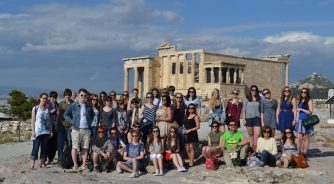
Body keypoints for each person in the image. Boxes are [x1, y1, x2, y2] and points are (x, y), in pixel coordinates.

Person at [63, 88, 95, 171]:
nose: (83, 97)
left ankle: (84, 165)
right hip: (76, 129)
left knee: (85, 147)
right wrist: (72, 121)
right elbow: (65, 114)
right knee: (74, 147)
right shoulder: (74, 105)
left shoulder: (88, 106)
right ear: (78, 95)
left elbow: (92, 115)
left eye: (85, 95)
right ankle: (75, 164)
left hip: (86, 129)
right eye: (81, 95)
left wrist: (89, 122)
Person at [31, 93, 52, 169]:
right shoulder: (35, 108)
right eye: (43, 98)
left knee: (44, 148)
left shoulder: (47, 109)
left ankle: (42, 163)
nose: (44, 100)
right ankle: (32, 163)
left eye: (46, 98)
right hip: (37, 132)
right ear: (40, 98)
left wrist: (51, 131)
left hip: (46, 132)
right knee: (35, 147)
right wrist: (33, 131)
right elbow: (33, 120)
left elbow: (49, 121)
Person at [56, 88, 73, 167]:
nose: (67, 96)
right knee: (60, 144)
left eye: (69, 95)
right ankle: (60, 159)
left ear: (71, 96)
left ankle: (68, 158)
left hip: (70, 127)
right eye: (66, 95)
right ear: (64, 95)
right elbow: (58, 115)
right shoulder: (61, 104)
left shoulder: (74, 104)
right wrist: (57, 125)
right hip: (61, 126)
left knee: (69, 144)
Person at [295, 88, 313, 157]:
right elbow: (297, 110)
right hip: (299, 121)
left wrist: (302, 109)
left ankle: (304, 154)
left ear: (307, 93)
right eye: (302, 92)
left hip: (306, 121)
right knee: (299, 138)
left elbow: (310, 112)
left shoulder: (309, 101)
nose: (303, 93)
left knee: (305, 138)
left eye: (305, 92)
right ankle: (300, 152)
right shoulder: (300, 100)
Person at [242, 85, 261, 149]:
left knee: (257, 134)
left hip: (257, 117)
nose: (254, 91)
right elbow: (243, 110)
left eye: (255, 90)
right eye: (253, 90)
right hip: (249, 118)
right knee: (250, 134)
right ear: (250, 90)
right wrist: (244, 119)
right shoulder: (246, 99)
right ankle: (251, 148)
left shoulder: (259, 99)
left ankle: (255, 148)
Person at [47, 91, 59, 165]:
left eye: (55, 98)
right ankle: (46, 158)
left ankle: (51, 158)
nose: (54, 99)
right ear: (50, 98)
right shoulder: (47, 105)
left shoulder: (58, 105)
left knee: (55, 144)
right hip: (49, 126)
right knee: (48, 143)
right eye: (52, 98)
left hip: (56, 126)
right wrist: (50, 112)